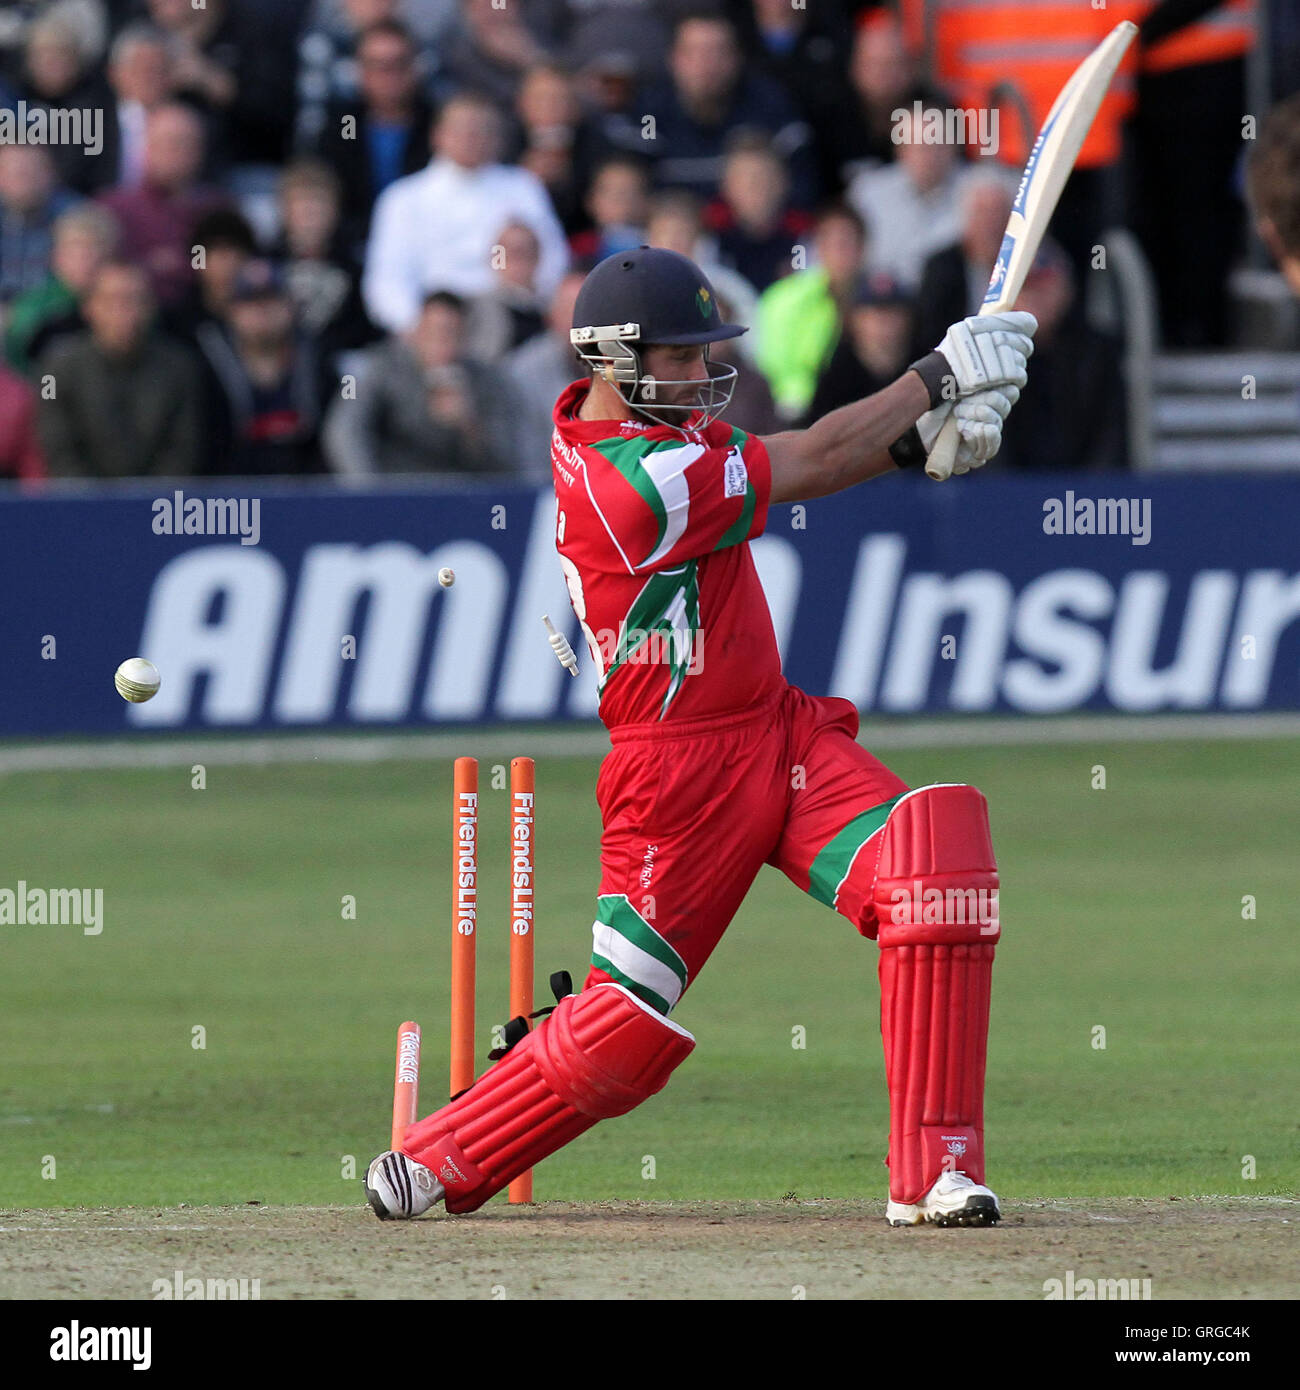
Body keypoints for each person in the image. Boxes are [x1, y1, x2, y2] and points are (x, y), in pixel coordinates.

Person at [364, 245, 1036, 1228]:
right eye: (678, 357)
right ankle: (437, 1155)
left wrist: (917, 444)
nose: (699, 373)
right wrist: (938, 378)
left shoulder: (658, 442)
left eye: (701, 352)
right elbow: (806, 457)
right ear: (610, 360)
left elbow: (816, 458)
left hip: (779, 733)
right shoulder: (627, 484)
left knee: (936, 871)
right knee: (616, 1031)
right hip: (673, 782)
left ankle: (934, 1171)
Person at [361, 91, 569, 332]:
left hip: (513, 319)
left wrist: (532, 298)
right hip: (432, 324)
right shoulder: (403, 198)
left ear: (497, 138)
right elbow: (387, 281)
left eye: (481, 130)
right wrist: (418, 329)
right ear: (437, 135)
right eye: (461, 129)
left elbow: (553, 259)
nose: (471, 138)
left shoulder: (523, 186)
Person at [36, 260, 202, 478]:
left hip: (160, 504)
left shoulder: (181, 366)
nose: (124, 311)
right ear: (89, 308)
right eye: (112, 300)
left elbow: (183, 449)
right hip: (80, 503)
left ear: (151, 307)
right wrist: (92, 503)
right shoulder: (56, 369)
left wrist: (149, 502)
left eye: (135, 300)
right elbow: (57, 447)